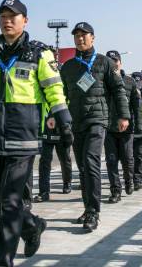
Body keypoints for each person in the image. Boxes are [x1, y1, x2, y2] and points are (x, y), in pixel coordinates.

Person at [0, 0, 72, 266]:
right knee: (2, 199)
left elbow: (54, 89)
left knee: (9, 202)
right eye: (3, 16)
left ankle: (1, 261)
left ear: (25, 21)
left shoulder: (39, 53)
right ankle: (32, 226)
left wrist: (64, 120)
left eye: (13, 16)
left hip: (24, 136)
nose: (7, 20)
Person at [60, 23, 130, 232]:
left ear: (93, 38)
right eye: (77, 36)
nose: (80, 39)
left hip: (98, 120)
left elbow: (118, 89)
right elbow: (61, 93)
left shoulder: (104, 62)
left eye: (84, 35)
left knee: (91, 161)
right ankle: (86, 207)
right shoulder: (68, 66)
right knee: (82, 166)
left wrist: (124, 115)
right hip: (76, 120)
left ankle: (93, 212)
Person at [103, 50, 142, 203]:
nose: (113, 63)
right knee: (111, 161)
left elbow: (137, 106)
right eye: (110, 61)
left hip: (126, 128)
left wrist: (138, 126)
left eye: (115, 61)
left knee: (127, 159)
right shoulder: (101, 81)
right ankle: (115, 191)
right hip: (108, 128)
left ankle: (129, 181)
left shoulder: (130, 81)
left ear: (120, 62)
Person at [34, 111, 73, 202]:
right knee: (44, 161)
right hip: (46, 130)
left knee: (65, 159)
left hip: (62, 129)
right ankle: (44, 192)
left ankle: (67, 182)